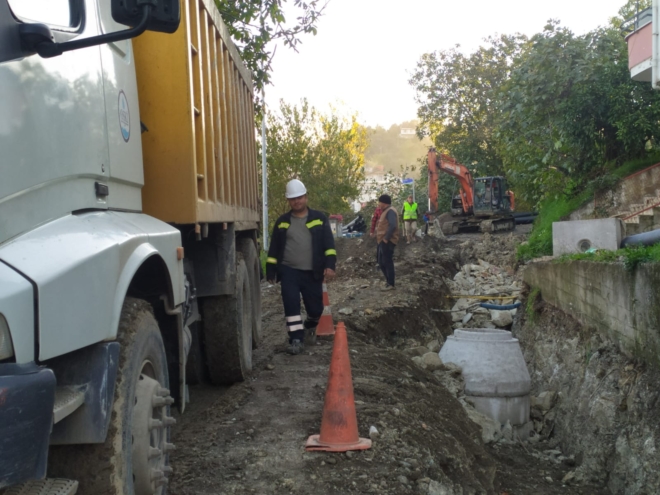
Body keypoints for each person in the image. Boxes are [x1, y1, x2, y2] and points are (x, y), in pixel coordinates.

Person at [266, 179, 337, 355]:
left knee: (315, 308)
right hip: (289, 271)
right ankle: (296, 339)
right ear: (288, 201)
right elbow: (274, 248)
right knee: (291, 305)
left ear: (305, 197)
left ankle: (310, 325)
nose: (296, 201)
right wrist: (270, 270)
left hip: (312, 272)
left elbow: (329, 245)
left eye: (299, 197)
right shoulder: (282, 222)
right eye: (293, 199)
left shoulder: (319, 219)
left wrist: (330, 265)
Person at [375, 194, 399, 291]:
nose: (379, 204)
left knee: (387, 262)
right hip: (382, 241)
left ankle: (391, 283)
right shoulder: (386, 211)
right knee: (381, 262)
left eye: (380, 202)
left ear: (383, 203)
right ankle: (388, 281)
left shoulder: (390, 211)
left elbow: (392, 225)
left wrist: (386, 238)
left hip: (388, 241)